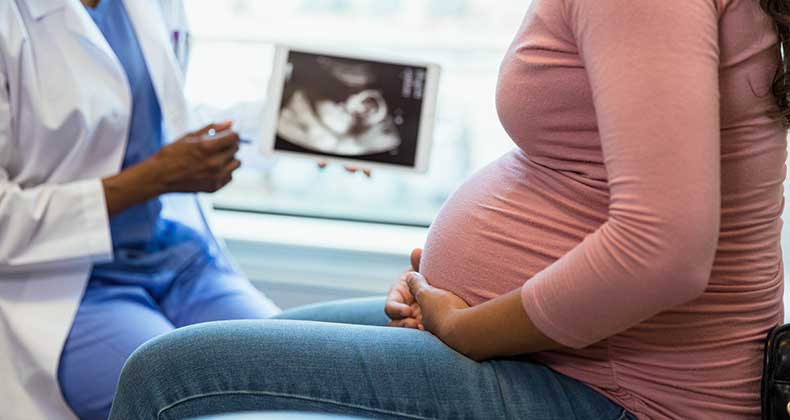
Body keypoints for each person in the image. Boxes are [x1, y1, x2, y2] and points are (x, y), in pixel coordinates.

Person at [108, 0, 789, 419]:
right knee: (237, 345)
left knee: (166, 375)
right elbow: (588, 174)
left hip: (627, 393)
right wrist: (453, 281)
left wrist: (470, 326)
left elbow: (664, 253)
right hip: (566, 351)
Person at [0, 1, 283, 419]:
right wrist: (154, 178)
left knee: (303, 379)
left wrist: (292, 131)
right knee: (200, 408)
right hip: (62, 284)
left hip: (173, 257)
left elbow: (153, 116)